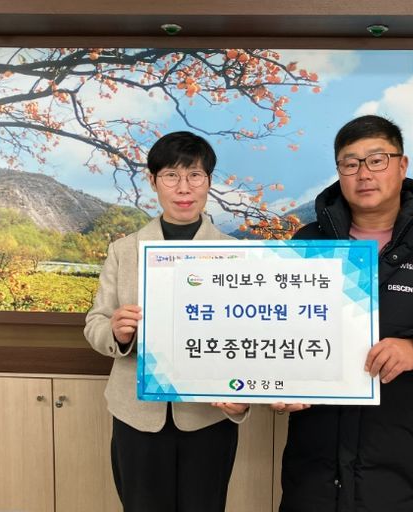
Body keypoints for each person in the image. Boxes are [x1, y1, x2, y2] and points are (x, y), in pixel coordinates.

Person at [274, 115, 413, 512]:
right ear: (339, 171)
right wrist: (278, 382)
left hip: (401, 461)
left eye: (377, 160)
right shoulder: (307, 243)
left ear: (402, 165)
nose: (364, 173)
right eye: (350, 163)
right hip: (314, 464)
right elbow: (278, 326)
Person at [84, 131, 249, 512]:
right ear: (153, 180)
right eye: (171, 175)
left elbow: (249, 336)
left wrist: (242, 399)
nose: (183, 187)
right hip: (137, 414)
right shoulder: (124, 250)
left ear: (208, 181)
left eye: (195, 175)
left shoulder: (236, 253)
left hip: (208, 414)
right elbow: (95, 322)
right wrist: (115, 332)